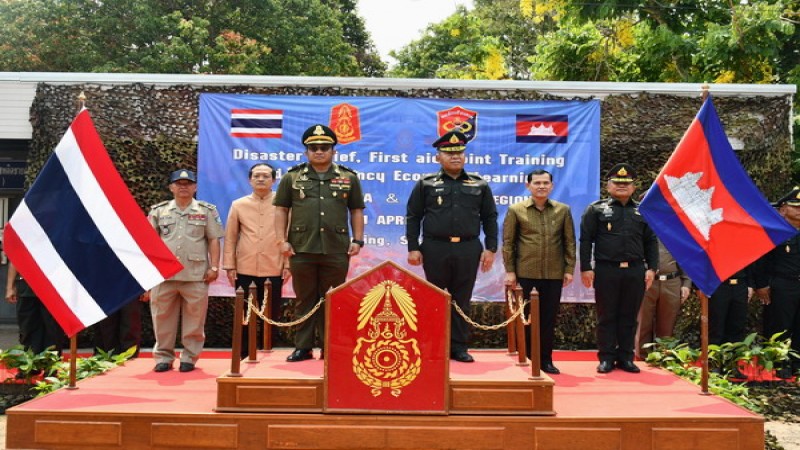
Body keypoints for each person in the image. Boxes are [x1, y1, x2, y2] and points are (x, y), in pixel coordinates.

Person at [274, 124, 365, 362]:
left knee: (332, 298)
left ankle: (330, 346)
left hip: (336, 248)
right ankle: (303, 347)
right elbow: (281, 210)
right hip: (301, 248)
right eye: (313, 148)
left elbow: (356, 210)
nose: (319, 151)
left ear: (333, 150)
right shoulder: (292, 177)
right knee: (304, 299)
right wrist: (281, 240)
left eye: (324, 147)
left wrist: (358, 239)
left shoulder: (348, 177)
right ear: (306, 152)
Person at [406, 130, 498, 363]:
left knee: (461, 298)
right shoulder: (425, 184)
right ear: (438, 157)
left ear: (465, 155)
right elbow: (413, 217)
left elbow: (490, 217)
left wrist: (491, 248)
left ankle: (458, 347)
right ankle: (433, 345)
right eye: (448, 152)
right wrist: (413, 247)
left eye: (459, 152)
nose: (455, 156)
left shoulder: (479, 184)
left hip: (468, 248)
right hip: (435, 247)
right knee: (435, 297)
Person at [580, 163, 658, 373]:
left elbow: (651, 241)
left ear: (634, 187)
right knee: (607, 315)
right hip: (607, 270)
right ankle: (606, 357)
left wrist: (652, 269)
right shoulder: (596, 209)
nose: (622, 186)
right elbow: (586, 240)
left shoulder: (643, 211)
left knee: (629, 315)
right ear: (608, 186)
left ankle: (626, 357)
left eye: (626, 183)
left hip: (635, 270)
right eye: (617, 183)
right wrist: (586, 268)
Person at [145, 169, 223, 373]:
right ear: (171, 187)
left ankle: (189, 357)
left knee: (195, 320)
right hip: (164, 275)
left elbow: (214, 240)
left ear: (195, 187)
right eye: (178, 183)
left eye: (187, 183)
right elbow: (148, 243)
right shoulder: (158, 211)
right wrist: (148, 273)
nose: (183, 187)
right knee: (161, 319)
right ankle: (163, 357)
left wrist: (214, 266)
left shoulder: (206, 211)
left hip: (196, 274)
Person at [502, 169, 575, 374]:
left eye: (545, 183)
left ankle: (546, 360)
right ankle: (527, 359)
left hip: (553, 273)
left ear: (552, 186)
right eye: (537, 183)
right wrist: (510, 271)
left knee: (548, 319)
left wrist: (569, 269)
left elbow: (569, 242)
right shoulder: (516, 210)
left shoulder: (562, 210)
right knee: (525, 318)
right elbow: (509, 243)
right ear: (528, 186)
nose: (541, 186)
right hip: (526, 272)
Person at [224, 163, 288, 357]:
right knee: (245, 314)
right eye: (257, 176)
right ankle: (244, 353)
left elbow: (289, 236)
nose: (261, 179)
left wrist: (288, 264)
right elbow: (230, 237)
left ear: (274, 180)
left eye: (266, 176)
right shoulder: (238, 204)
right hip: (245, 267)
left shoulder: (283, 204)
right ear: (249, 180)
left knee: (271, 314)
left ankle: (267, 351)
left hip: (274, 266)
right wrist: (229, 265)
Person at [756, 186, 800, 379]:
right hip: (781, 285)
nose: (799, 210)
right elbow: (760, 261)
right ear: (783, 209)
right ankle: (774, 362)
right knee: (779, 326)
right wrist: (761, 284)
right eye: (795, 207)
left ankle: (796, 364)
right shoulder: (774, 232)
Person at [5, 262, 67, 376]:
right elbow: (14, 259)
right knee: (27, 328)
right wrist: (10, 287)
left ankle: (51, 366)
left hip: (51, 286)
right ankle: (31, 365)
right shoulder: (23, 242)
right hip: (25, 286)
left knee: (52, 330)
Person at [635, 239, 690, 359]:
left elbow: (685, 259)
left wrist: (686, 283)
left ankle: (663, 358)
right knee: (643, 323)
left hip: (672, 282)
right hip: (646, 282)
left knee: (667, 326)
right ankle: (642, 359)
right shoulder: (643, 228)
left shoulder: (673, 233)